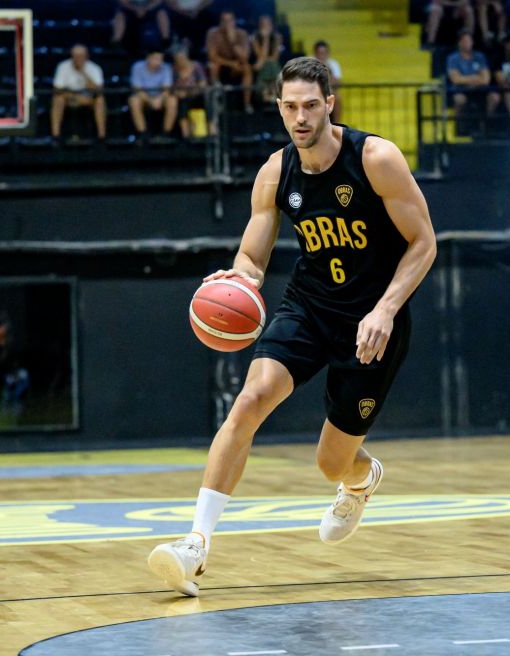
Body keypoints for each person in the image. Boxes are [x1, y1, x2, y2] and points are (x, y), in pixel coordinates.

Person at [147, 57, 437, 597]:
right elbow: (253, 256)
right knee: (250, 399)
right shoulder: (275, 172)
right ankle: (196, 545)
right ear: (278, 108)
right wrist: (240, 278)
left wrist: (385, 309)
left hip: (372, 319)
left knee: (331, 463)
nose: (300, 117)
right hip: (309, 305)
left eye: (310, 105)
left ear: (330, 104)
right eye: (290, 107)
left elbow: (424, 243)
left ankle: (360, 479)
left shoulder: (375, 158)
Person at [446, 30, 499, 133]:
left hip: (480, 89)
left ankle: (486, 125)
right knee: (459, 99)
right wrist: (475, 77)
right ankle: (459, 127)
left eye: (469, 41)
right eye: (465, 41)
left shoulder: (479, 56)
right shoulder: (452, 58)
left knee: (495, 97)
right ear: (459, 43)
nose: (467, 43)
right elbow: (455, 79)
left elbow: (486, 79)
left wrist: (466, 79)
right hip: (461, 89)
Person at [50, 44, 107, 142]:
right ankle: (56, 136)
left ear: (87, 56)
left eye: (81, 56)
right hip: (68, 98)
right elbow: (57, 89)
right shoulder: (63, 66)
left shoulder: (94, 68)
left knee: (100, 100)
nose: (78, 59)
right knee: (57, 99)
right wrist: (76, 97)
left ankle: (101, 137)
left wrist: (83, 72)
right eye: (75, 56)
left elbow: (98, 90)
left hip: (88, 99)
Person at [206, 11, 254, 113]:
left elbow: (245, 57)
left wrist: (232, 41)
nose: (227, 23)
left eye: (230, 20)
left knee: (247, 68)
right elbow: (212, 56)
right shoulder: (213, 33)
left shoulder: (242, 34)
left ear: (234, 21)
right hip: (222, 65)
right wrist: (230, 63)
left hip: (237, 66)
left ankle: (247, 104)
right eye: (224, 21)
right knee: (212, 66)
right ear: (220, 22)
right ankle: (217, 100)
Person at [128, 50, 177, 139]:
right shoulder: (137, 67)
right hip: (144, 96)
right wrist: (151, 101)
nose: (159, 62)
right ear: (148, 58)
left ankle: (166, 133)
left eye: (161, 59)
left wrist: (159, 99)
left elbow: (167, 89)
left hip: (160, 97)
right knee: (134, 101)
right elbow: (137, 89)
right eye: (156, 59)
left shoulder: (166, 67)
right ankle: (142, 133)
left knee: (172, 100)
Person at [172, 48, 209, 138]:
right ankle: (186, 136)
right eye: (178, 59)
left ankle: (212, 134)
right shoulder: (173, 70)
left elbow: (203, 84)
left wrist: (191, 92)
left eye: (182, 58)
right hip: (182, 98)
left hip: (197, 95)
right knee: (182, 105)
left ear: (186, 57)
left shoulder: (196, 66)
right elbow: (171, 87)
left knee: (208, 101)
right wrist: (179, 93)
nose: (180, 61)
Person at [251, 15, 283, 104]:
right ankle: (272, 93)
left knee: (271, 64)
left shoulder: (277, 37)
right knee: (268, 64)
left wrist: (268, 38)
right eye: (263, 25)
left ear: (272, 26)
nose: (265, 27)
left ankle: (267, 94)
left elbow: (275, 57)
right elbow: (260, 56)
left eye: (268, 24)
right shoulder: (254, 38)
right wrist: (266, 39)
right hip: (257, 65)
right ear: (259, 27)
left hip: (269, 65)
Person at [313, 41, 342, 123]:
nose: (322, 55)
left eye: (324, 53)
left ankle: (337, 124)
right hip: (313, 91)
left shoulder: (333, 64)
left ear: (328, 53)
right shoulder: (309, 63)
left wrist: (328, 69)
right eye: (320, 53)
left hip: (328, 92)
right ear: (315, 53)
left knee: (337, 97)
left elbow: (338, 83)